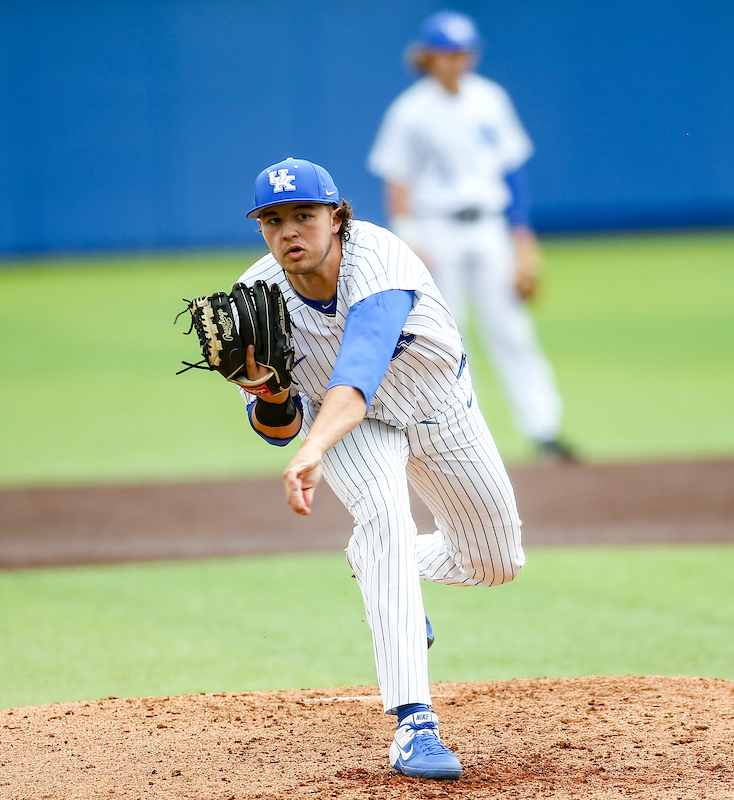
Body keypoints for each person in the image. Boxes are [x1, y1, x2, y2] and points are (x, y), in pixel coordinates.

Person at [235, 157, 525, 780]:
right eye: (274, 220)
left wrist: (310, 448)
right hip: (353, 432)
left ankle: (379, 564)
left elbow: (359, 369)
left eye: (305, 216)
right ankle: (413, 726)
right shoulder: (254, 299)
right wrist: (270, 394)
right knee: (386, 520)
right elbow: (275, 428)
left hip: (438, 408)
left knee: (496, 562)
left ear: (336, 218)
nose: (290, 232)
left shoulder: (380, 257)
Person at [367, 10, 576, 462]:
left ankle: (544, 430)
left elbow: (512, 174)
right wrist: (410, 242)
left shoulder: (490, 98)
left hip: (490, 227)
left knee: (513, 331)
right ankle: (467, 436)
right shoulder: (409, 111)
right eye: (448, 52)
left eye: (464, 51)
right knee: (448, 336)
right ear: (429, 56)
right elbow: (397, 184)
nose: (457, 60)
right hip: (436, 229)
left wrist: (524, 246)